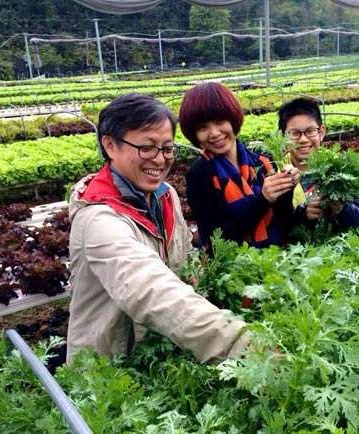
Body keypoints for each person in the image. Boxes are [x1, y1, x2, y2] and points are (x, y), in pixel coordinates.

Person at [67, 93, 248, 363]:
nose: (160, 159)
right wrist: (242, 345)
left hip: (160, 353)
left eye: (167, 148)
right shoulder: (98, 220)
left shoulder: (166, 195)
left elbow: (187, 265)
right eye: (147, 148)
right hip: (109, 373)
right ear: (110, 145)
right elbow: (151, 290)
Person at [180, 82, 299, 250]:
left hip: (275, 262)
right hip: (234, 271)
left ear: (233, 119)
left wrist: (286, 188)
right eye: (202, 127)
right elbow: (217, 239)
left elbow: (284, 223)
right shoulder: (200, 175)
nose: (214, 133)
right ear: (195, 135)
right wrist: (263, 200)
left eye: (220, 121)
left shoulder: (262, 162)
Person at [277, 97, 359, 230]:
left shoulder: (347, 170)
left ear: (321, 132)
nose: (303, 139)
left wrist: (340, 208)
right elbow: (272, 225)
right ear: (282, 137)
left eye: (310, 131)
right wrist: (301, 215)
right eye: (294, 133)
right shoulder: (273, 175)